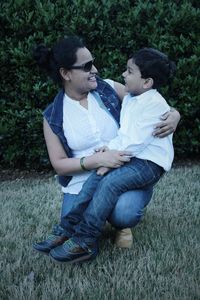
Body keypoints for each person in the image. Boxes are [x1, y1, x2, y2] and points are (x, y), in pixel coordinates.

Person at [32, 37, 180, 258]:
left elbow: (151, 103)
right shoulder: (53, 115)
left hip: (129, 161)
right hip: (90, 173)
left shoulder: (107, 88)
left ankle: (86, 238)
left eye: (93, 62)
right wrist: (100, 160)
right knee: (89, 193)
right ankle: (67, 229)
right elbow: (60, 165)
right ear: (66, 74)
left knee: (122, 208)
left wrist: (176, 115)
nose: (95, 69)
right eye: (87, 66)